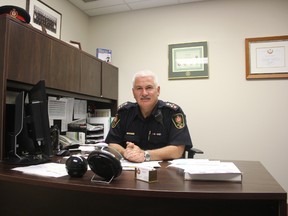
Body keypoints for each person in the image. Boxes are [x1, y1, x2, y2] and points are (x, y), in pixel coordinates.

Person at [105, 70, 192, 162]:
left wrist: (145, 155)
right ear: (133, 92)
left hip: (164, 169)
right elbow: (112, 143)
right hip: (130, 167)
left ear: (158, 91)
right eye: (139, 88)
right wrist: (126, 153)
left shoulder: (172, 112)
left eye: (149, 87)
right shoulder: (124, 112)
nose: (144, 93)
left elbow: (178, 150)